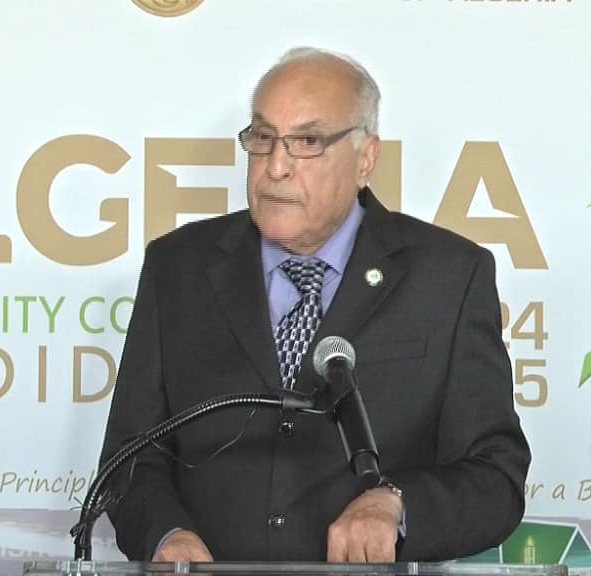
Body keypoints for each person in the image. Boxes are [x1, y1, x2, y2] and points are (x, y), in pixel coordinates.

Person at [99, 46, 531, 563]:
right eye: (263, 138)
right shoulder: (178, 267)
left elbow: (495, 476)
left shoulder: (449, 277)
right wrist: (165, 535)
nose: (276, 166)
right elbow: (129, 458)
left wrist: (397, 505)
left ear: (365, 158)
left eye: (307, 142)